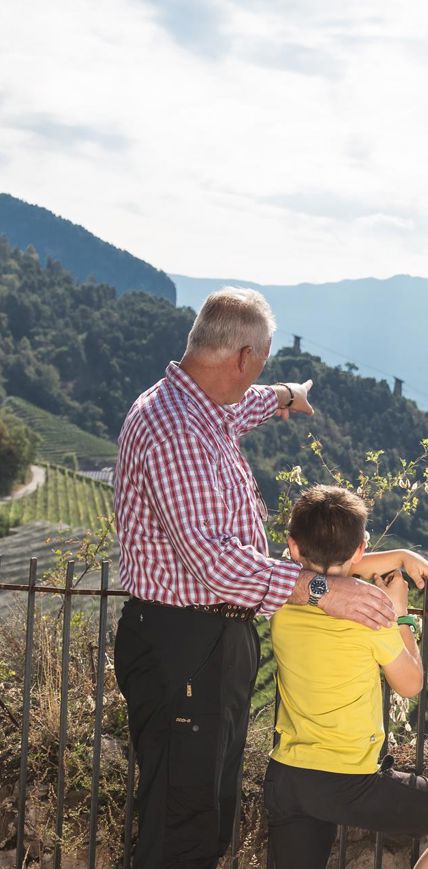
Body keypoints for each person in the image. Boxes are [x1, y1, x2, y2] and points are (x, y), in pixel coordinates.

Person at [114, 287, 400, 869]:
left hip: (211, 642)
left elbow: (244, 405)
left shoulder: (204, 406)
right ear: (242, 357)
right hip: (184, 644)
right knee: (182, 824)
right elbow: (214, 561)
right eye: (262, 364)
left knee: (207, 812)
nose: (257, 377)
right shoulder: (176, 429)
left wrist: (286, 395)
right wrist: (324, 590)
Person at [265, 484, 428, 869]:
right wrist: (400, 613)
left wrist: (402, 556)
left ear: (293, 546)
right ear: (360, 548)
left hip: (289, 778)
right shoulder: (370, 614)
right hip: (349, 782)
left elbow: (333, 565)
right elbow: (411, 684)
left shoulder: (282, 598)